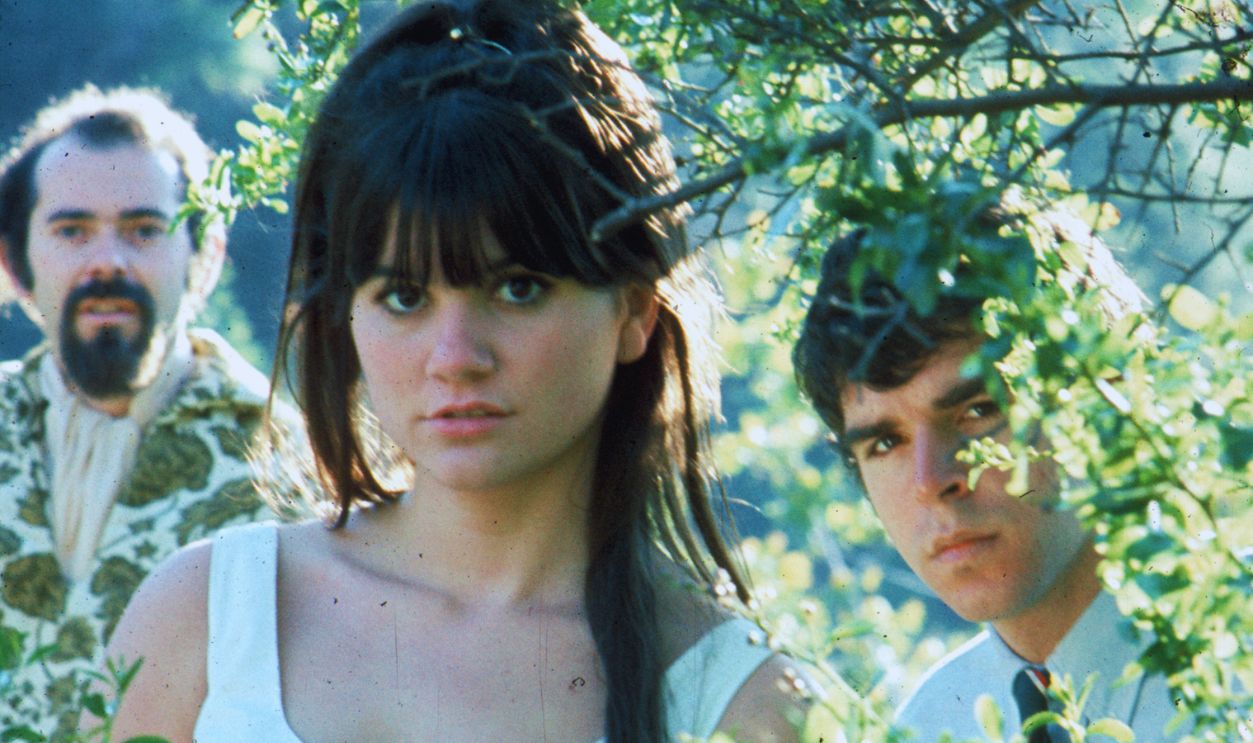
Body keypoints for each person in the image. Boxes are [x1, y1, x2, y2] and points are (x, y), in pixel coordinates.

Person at [102, 3, 807, 742]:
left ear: (633, 311)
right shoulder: (206, 618)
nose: (455, 356)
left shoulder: (740, 699)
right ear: (347, 315)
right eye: (403, 297)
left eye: (518, 288)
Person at [792, 195, 1180, 742]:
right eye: (885, 443)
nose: (931, 482)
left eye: (979, 411)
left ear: (1101, 395)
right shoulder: (927, 728)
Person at [0, 86, 280, 738]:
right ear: (16, 262)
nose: (107, 261)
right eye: (72, 230)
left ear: (205, 259)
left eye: (144, 230)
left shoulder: (285, 458)